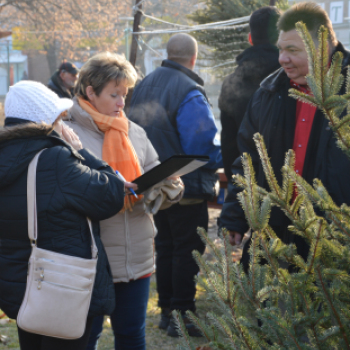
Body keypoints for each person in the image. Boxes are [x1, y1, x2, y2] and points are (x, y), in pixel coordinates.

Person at [64, 52, 183, 350]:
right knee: (84, 338)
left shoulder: (135, 132)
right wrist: (111, 189)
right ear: (90, 91)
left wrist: (167, 187)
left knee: (131, 336)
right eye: (114, 95)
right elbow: (65, 195)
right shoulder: (67, 134)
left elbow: (153, 178)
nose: (121, 103)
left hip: (137, 255)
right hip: (91, 258)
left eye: (125, 95)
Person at [219, 2, 350, 271]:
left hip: (336, 244)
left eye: (292, 50)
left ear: (322, 47)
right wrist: (235, 216)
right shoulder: (267, 92)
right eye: (280, 48)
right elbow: (248, 160)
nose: (282, 59)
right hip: (276, 235)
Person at [0, 80, 127, 350]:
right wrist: (81, 151)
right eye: (59, 118)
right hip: (61, 289)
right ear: (46, 121)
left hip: (18, 287)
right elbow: (110, 194)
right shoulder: (55, 159)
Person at [128, 33, 223, 337]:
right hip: (185, 185)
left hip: (152, 183)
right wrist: (226, 155)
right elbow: (202, 145)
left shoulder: (142, 85)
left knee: (165, 245)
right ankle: (183, 316)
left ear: (168, 54)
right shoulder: (189, 90)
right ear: (193, 58)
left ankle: (167, 311)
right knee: (186, 248)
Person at [219, 6, 281, 180]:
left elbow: (228, 141)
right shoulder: (293, 79)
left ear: (250, 38)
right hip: (289, 188)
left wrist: (235, 182)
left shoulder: (231, 82)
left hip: (245, 184)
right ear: (281, 37)